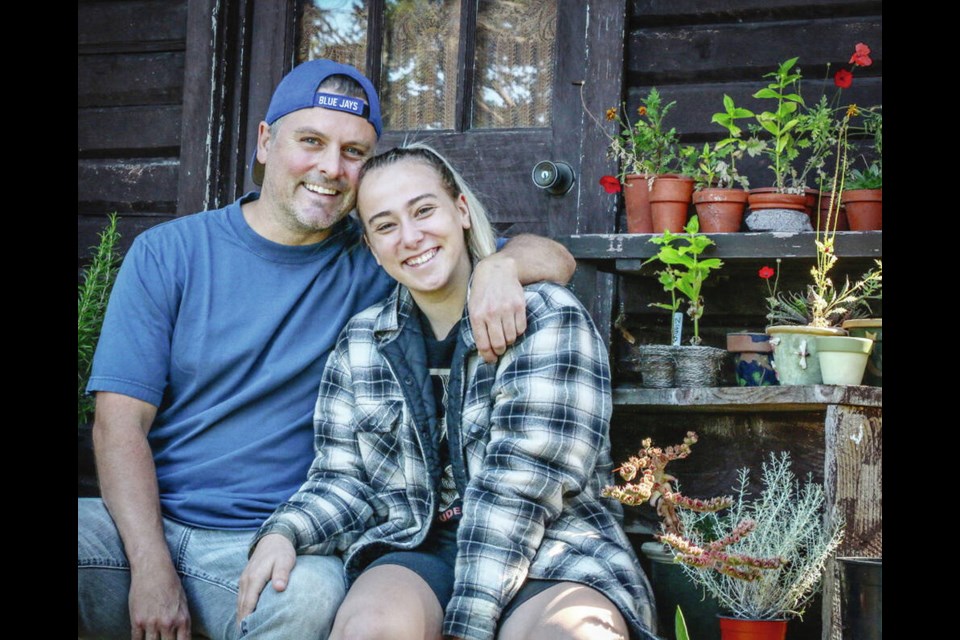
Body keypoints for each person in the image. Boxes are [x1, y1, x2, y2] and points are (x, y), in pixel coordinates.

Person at [78, 60, 575, 640]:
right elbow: (118, 427)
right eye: (310, 142)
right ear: (266, 142)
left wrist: (502, 265)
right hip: (139, 532)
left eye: (353, 152)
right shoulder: (170, 253)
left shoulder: (382, 250)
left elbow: (556, 259)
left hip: (272, 542)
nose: (330, 168)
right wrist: (151, 569)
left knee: (312, 598)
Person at [238, 144, 657, 640]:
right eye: (386, 225)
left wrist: (468, 626)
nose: (411, 236)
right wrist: (286, 530)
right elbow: (343, 477)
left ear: (460, 210)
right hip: (419, 544)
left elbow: (524, 488)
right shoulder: (362, 341)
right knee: (370, 628)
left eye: (423, 210)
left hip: (554, 548)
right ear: (371, 245)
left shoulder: (545, 314)